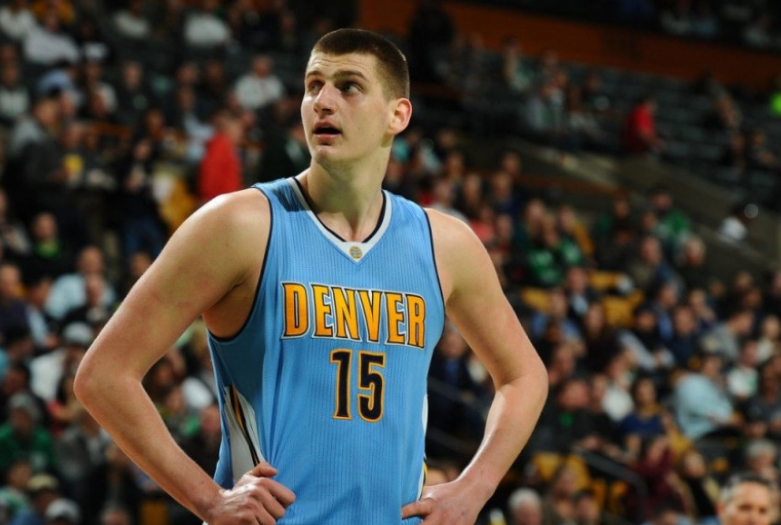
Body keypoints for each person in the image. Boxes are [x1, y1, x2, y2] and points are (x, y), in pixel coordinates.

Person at [75, 28, 548, 525]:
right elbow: (104, 375)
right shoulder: (240, 225)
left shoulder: (444, 244)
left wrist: (475, 486)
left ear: (397, 115)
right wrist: (209, 500)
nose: (322, 101)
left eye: (349, 86)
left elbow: (524, 376)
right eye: (313, 85)